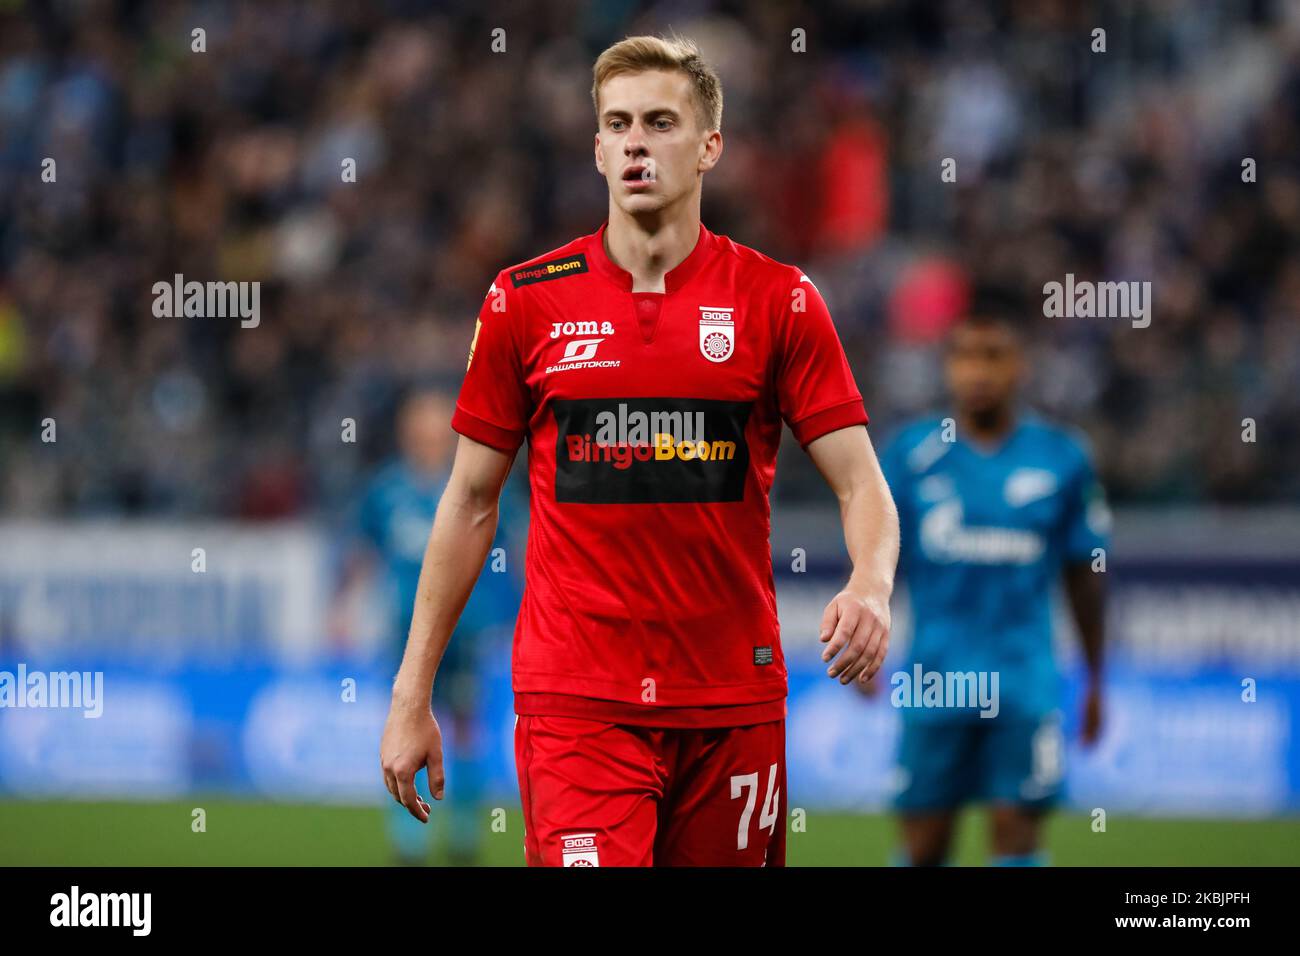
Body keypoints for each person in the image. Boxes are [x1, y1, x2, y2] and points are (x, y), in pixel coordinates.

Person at [380, 34, 899, 867]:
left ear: (709, 147)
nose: (635, 141)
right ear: (595, 148)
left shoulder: (781, 302)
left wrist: (871, 587)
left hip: (732, 698)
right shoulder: (524, 303)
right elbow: (471, 501)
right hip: (577, 702)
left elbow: (860, 483)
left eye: (660, 122)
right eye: (617, 124)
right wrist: (413, 692)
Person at [873, 307, 1109, 866]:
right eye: (963, 357)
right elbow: (875, 556)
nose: (977, 372)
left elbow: (1086, 575)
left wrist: (1097, 677)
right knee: (924, 845)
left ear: (1020, 367)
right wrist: (864, 640)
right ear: (947, 368)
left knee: (1017, 837)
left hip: (1023, 680)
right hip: (935, 682)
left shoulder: (1062, 457)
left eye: (993, 357)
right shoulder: (912, 453)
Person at [338, 387, 520, 865]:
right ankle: (409, 839)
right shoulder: (386, 489)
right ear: (407, 432)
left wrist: (510, 611)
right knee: (404, 724)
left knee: (464, 726)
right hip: (405, 633)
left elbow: (508, 552)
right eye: (421, 427)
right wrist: (340, 607)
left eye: (438, 427)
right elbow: (362, 552)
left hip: (467, 628)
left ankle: (463, 835)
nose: (429, 437)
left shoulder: (474, 483)